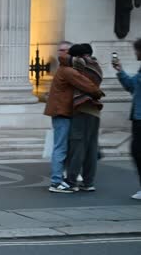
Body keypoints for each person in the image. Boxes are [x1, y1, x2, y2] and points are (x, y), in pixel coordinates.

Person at [44, 41, 105, 193]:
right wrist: (98, 93)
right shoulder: (69, 70)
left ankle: (67, 180)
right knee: (64, 147)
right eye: (61, 50)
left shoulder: (73, 68)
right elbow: (89, 86)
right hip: (63, 112)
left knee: (72, 147)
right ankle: (57, 181)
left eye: (66, 51)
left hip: (70, 111)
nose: (63, 53)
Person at [61, 43, 103, 192]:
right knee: (91, 147)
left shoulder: (83, 66)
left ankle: (71, 182)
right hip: (94, 110)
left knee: (77, 145)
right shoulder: (96, 65)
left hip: (83, 109)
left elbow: (62, 58)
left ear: (80, 56)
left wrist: (70, 56)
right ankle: (88, 182)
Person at [112, 37, 141, 200]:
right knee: (137, 151)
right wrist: (120, 71)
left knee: (137, 151)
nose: (135, 53)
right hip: (138, 117)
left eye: (137, 50)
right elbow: (131, 86)